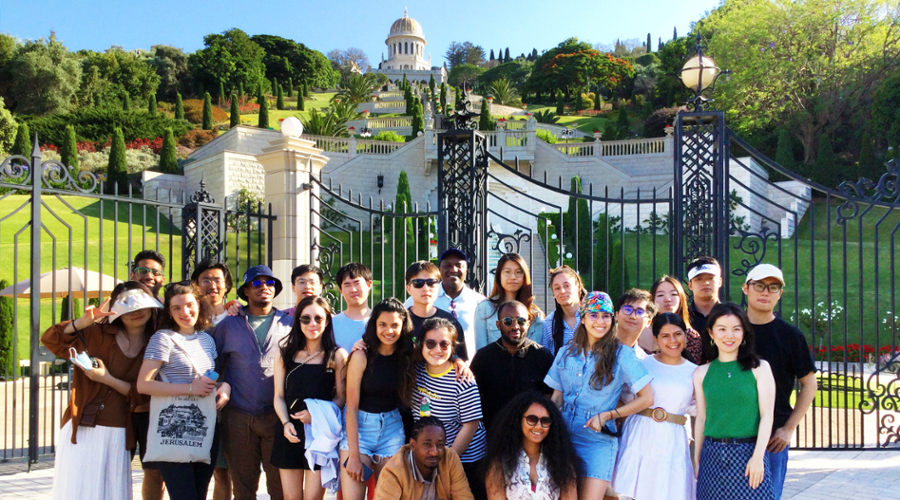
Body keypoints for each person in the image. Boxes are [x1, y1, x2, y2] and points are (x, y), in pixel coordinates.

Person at [41, 282, 162, 500]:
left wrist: (106, 379)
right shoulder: (95, 333)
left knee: (112, 493)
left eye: (141, 305)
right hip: (85, 427)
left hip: (120, 431)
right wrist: (81, 322)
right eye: (128, 306)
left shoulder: (157, 342)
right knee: (79, 492)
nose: (136, 312)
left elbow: (142, 394)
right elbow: (51, 339)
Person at [543, 291, 654, 500]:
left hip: (598, 440)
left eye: (605, 315)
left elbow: (647, 398)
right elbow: (556, 400)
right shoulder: (566, 352)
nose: (600, 321)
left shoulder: (622, 354)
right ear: (582, 318)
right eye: (593, 315)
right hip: (563, 435)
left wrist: (609, 415)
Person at [137, 282, 227, 500]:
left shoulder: (207, 339)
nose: (185, 312)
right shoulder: (163, 339)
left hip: (205, 426)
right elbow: (143, 384)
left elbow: (213, 378)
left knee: (199, 494)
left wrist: (225, 387)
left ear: (199, 303)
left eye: (189, 304)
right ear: (169, 311)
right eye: (176, 308)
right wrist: (189, 388)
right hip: (174, 428)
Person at [212, 265, 293, 500]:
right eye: (257, 283)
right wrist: (223, 384)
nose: (264, 287)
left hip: (277, 417)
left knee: (280, 488)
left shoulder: (288, 323)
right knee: (244, 489)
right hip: (238, 417)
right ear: (246, 290)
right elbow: (215, 366)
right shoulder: (228, 324)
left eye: (269, 283)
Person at [742, 264, 817, 500]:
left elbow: (809, 383)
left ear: (780, 293)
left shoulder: (790, 336)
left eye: (773, 287)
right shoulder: (730, 329)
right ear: (746, 288)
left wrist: (789, 428)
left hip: (773, 440)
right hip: (730, 435)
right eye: (760, 286)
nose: (765, 292)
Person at [693, 303, 776, 500]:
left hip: (748, 454)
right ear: (711, 333)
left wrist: (758, 457)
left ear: (744, 333)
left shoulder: (760, 368)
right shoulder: (701, 373)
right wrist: (697, 458)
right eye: (722, 329)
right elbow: (702, 417)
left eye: (736, 329)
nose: (729, 336)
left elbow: (767, 415)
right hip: (711, 457)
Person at [612, 313, 697, 500]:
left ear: (685, 335)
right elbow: (621, 395)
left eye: (677, 334)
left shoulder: (694, 372)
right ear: (656, 339)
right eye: (665, 336)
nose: (672, 340)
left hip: (673, 438)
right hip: (640, 433)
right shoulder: (643, 364)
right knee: (632, 491)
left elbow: (698, 408)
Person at [272, 296, 348, 500]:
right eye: (305, 319)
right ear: (298, 321)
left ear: (327, 321)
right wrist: (285, 422)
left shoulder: (337, 355)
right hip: (289, 432)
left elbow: (342, 398)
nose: (312, 324)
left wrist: (316, 414)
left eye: (318, 318)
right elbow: (278, 396)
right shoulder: (285, 354)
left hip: (321, 433)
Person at [342, 298, 417, 500]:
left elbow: (437, 352)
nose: (388, 330)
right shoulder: (362, 355)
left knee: (387, 496)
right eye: (382, 324)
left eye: (395, 325)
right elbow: (351, 408)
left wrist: (457, 360)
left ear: (403, 327)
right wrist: (354, 457)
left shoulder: (407, 356)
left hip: (391, 430)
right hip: (360, 430)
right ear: (374, 324)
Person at [411, 318, 488, 500]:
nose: (437, 349)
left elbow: (471, 425)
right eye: (430, 343)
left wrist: (445, 460)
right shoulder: (415, 372)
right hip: (431, 456)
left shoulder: (462, 380)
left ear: (453, 347)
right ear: (421, 344)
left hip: (466, 460)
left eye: (444, 344)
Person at [470, 301, 554, 429]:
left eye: (521, 320)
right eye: (508, 321)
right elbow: (474, 400)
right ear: (498, 325)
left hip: (531, 432)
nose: (515, 326)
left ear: (528, 324)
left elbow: (549, 398)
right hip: (494, 433)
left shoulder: (542, 356)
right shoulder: (483, 358)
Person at [190, 260, 235, 500]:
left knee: (223, 470)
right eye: (205, 280)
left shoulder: (238, 315)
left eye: (217, 279)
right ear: (196, 285)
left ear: (226, 285)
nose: (212, 285)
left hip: (230, 403)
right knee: (195, 469)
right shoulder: (189, 317)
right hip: (194, 399)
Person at [483, 392, 578, 500]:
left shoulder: (563, 464)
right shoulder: (498, 464)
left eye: (545, 421)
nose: (539, 426)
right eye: (532, 419)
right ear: (518, 420)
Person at [128, 250, 167, 500]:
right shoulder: (119, 304)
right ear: (133, 274)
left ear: (162, 278)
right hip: (121, 401)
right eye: (143, 270)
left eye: (155, 272)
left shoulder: (168, 309)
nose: (149, 276)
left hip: (155, 403)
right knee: (117, 467)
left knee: (154, 471)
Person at [405, 249, 485, 353]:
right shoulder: (419, 297)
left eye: (459, 265)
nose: (453, 269)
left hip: (466, 366)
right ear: (440, 270)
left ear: (466, 270)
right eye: (447, 265)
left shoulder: (479, 302)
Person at [374, 417, 474, 500]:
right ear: (413, 445)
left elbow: (464, 497)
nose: (434, 452)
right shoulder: (393, 472)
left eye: (440, 445)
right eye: (427, 444)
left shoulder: (450, 458)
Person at [474, 253, 544, 350]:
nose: (513, 277)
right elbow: (480, 351)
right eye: (507, 272)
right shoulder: (485, 308)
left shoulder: (535, 314)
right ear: (499, 276)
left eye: (518, 272)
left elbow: (537, 352)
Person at [405, 261, 467, 359]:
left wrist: (458, 361)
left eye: (431, 283)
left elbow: (460, 358)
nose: (425, 288)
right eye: (418, 283)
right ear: (408, 289)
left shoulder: (449, 321)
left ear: (438, 287)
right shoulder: (400, 321)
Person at [639, 275, 704, 364]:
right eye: (660, 295)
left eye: (673, 294)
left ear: (681, 299)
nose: (667, 299)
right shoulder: (639, 332)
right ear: (652, 300)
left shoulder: (692, 337)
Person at [540, 266, 585, 355]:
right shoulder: (549, 323)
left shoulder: (593, 316)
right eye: (557, 288)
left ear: (578, 287)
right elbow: (545, 356)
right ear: (553, 293)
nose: (562, 291)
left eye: (567, 286)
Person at [332, 262, 374, 352]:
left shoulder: (380, 321)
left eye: (357, 283)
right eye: (347, 285)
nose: (353, 290)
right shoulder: (332, 324)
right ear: (341, 290)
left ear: (369, 284)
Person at [686, 256, 722, 357]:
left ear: (719, 282)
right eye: (699, 279)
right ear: (690, 285)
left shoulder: (729, 316)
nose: (705, 283)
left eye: (710, 278)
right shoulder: (682, 317)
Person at [613, 289, 657, 359]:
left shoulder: (643, 360)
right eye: (627, 310)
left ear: (648, 322)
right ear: (617, 315)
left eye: (640, 312)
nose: (632, 316)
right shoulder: (597, 349)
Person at [192, 259, 234, 325]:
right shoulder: (191, 320)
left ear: (226, 286)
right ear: (196, 285)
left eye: (217, 281)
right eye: (206, 281)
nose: (212, 287)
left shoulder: (236, 316)